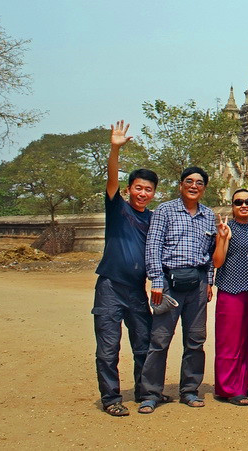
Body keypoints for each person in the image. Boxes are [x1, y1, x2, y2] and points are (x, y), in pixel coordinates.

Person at [93, 121, 159, 417]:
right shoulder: (118, 209)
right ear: (129, 189)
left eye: (148, 189)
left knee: (143, 343)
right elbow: (111, 181)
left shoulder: (154, 220)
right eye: (138, 188)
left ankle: (145, 392)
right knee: (108, 348)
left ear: (153, 193)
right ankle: (111, 398)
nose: (142, 193)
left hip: (136, 290)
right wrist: (115, 150)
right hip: (110, 286)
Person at [138, 166, 216, 414]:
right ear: (181, 184)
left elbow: (211, 253)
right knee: (159, 340)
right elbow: (153, 247)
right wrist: (157, 281)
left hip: (198, 282)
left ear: (204, 188)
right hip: (169, 283)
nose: (194, 186)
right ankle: (151, 392)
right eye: (189, 181)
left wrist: (210, 282)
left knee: (195, 340)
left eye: (199, 183)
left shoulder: (208, 214)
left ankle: (190, 389)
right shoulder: (165, 210)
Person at [210, 189, 248, 406]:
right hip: (231, 290)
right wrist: (222, 239)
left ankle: (240, 383)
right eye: (238, 202)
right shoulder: (226, 228)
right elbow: (217, 262)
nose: (243, 205)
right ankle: (227, 388)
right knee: (228, 341)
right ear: (232, 205)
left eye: (247, 202)